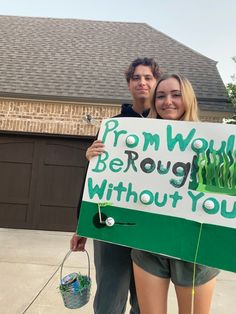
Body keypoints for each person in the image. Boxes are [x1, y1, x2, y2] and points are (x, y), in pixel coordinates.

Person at [70, 58, 162, 314]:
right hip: (110, 221)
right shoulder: (112, 126)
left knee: (146, 301)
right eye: (136, 78)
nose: (142, 83)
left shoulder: (168, 127)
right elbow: (94, 178)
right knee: (110, 295)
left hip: (151, 224)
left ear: (156, 82)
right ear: (129, 84)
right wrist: (82, 224)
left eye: (148, 78)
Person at [131, 73, 220, 314]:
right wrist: (98, 159)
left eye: (175, 94)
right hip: (149, 243)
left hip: (196, 246)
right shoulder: (137, 138)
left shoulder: (213, 143)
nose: (167, 101)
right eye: (160, 96)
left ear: (188, 99)